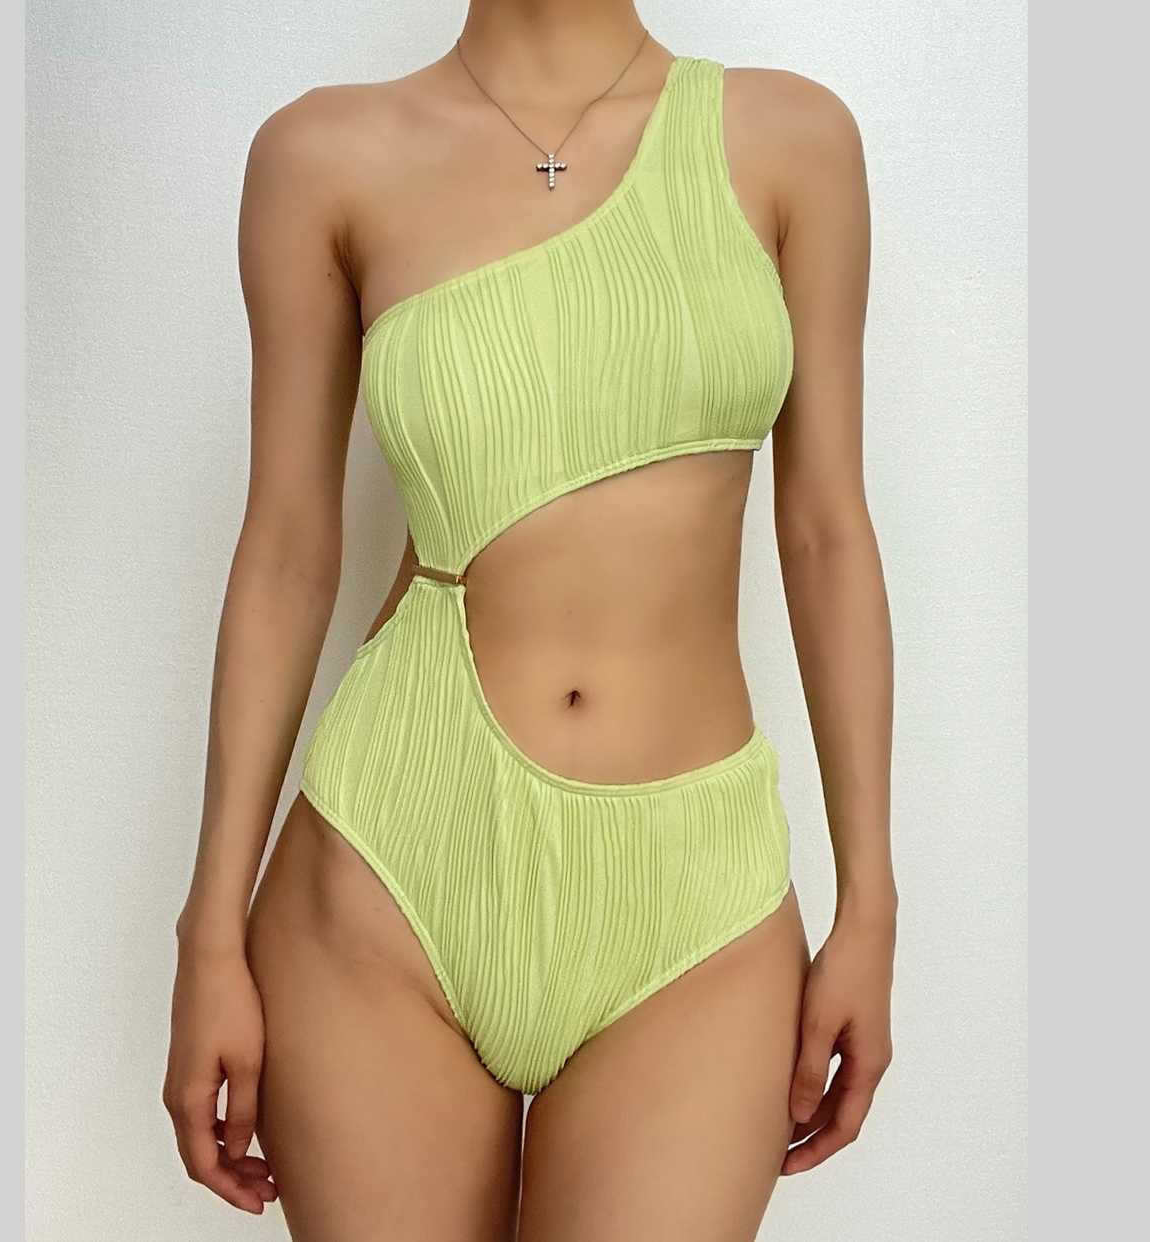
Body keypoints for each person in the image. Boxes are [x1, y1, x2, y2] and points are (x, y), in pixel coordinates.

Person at [163, 3, 896, 1239]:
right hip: (392, 866)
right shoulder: (321, 156)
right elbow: (285, 553)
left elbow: (827, 535)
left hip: (694, 902)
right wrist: (208, 940)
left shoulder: (791, 141)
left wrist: (870, 903)